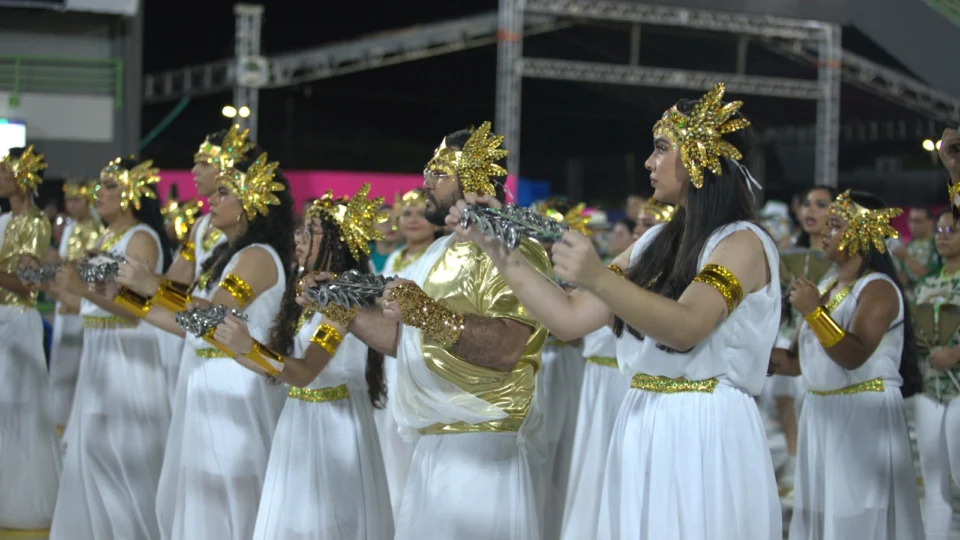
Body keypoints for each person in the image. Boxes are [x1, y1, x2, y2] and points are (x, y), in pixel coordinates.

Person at [450, 84, 783, 539]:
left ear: (702, 157)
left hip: (705, 427)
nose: (649, 162)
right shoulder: (654, 241)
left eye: (662, 149)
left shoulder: (741, 242)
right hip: (642, 418)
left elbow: (687, 327)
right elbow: (568, 316)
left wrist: (598, 277)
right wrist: (495, 248)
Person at [332, 122, 551, 539]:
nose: (426, 182)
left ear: (473, 176)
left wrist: (429, 314)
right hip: (432, 446)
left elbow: (507, 347)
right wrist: (344, 314)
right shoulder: (438, 250)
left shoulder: (512, 245)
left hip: (483, 449)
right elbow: (404, 340)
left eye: (439, 172)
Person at [114, 151, 294, 540]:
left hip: (236, 386)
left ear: (251, 204)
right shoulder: (226, 255)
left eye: (225, 192)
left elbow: (212, 315)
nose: (212, 197)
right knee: (202, 493)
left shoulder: (257, 257)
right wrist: (125, 299)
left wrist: (153, 286)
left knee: (234, 491)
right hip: (206, 379)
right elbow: (189, 327)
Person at [212, 185, 394, 539]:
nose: (300, 236)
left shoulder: (344, 299)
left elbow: (305, 372)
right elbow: (281, 367)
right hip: (299, 421)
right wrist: (235, 347)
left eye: (312, 231)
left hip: (334, 429)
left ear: (338, 242)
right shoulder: (305, 293)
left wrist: (247, 347)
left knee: (328, 525)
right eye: (301, 228)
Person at [774, 189, 924, 539]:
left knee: (857, 519)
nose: (824, 231)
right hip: (821, 413)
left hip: (862, 414)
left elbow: (855, 354)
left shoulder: (879, 288)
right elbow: (796, 362)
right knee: (822, 515)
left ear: (862, 234)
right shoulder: (826, 284)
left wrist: (813, 311)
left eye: (836, 225)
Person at [49, 157, 173, 539]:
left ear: (132, 192)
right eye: (99, 185)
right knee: (89, 454)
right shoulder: (104, 239)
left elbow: (137, 310)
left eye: (108, 186)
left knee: (121, 461)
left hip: (128, 355)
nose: (97, 194)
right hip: (99, 351)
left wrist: (80, 288)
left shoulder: (141, 239)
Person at [560, 201, 673, 540]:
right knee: (592, 465)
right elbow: (571, 325)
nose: (641, 231)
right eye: (638, 224)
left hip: (626, 384)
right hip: (597, 380)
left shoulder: (665, 277)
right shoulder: (617, 271)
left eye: (649, 224)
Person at [0, 146, 59, 531]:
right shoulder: (4, 219)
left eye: (5, 171)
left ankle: (19, 498)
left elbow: (27, 286)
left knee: (16, 409)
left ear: (22, 177)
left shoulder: (36, 223)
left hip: (18, 321)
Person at [530, 196, 590, 540]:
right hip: (536, 365)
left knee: (562, 450)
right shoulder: (526, 265)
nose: (546, 240)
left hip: (562, 365)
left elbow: (574, 334)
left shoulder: (571, 270)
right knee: (539, 453)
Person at [375, 187, 436, 513]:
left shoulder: (437, 258)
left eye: (421, 211)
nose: (413, 219)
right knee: (387, 442)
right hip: (387, 359)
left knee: (409, 442)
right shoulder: (396, 257)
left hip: (417, 356)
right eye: (407, 212)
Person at [46, 177, 103, 436]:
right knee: (61, 361)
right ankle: (59, 422)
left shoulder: (95, 229)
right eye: (69, 200)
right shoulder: (69, 227)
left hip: (81, 300)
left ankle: (73, 425)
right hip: (64, 299)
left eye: (77, 199)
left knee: (78, 363)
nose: (72, 205)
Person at [892, 207, 938, 291]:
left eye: (918, 221)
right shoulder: (907, 246)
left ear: (930, 222)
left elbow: (931, 275)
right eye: (911, 220)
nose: (913, 225)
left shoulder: (938, 244)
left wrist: (907, 257)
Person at [369, 201, 400, 274]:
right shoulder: (362, 256)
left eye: (395, 220)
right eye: (384, 221)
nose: (391, 225)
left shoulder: (408, 254)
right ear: (370, 227)